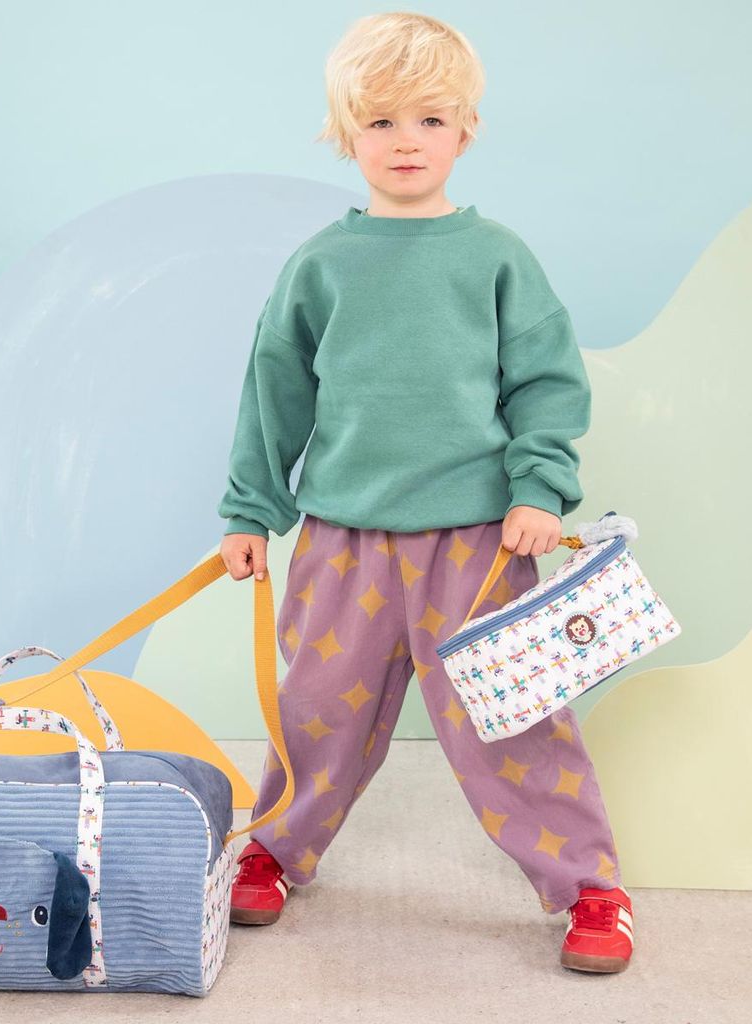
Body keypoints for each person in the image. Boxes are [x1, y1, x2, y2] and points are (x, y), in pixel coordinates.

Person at [216, 11, 634, 974]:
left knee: (515, 717)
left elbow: (546, 384)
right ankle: (274, 846)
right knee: (316, 707)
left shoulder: (497, 258)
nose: (406, 141)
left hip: (481, 544)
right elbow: (274, 393)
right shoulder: (320, 264)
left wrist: (539, 489)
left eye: (430, 120)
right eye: (381, 121)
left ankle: (590, 886)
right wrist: (251, 509)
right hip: (343, 540)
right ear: (345, 133)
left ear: (466, 130)